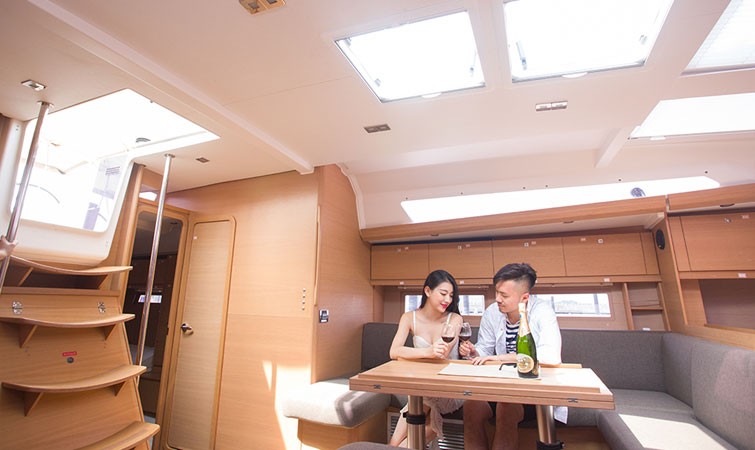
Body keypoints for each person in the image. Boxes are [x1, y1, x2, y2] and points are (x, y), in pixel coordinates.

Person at [459, 263, 562, 450]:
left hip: (533, 390)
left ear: (524, 297)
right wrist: (475, 352)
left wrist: (500, 358)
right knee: (471, 405)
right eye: (497, 292)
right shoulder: (493, 312)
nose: (498, 299)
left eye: (504, 295)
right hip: (499, 385)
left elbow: (550, 355)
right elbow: (485, 348)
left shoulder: (542, 311)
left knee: (506, 405)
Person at [388, 269, 465, 447]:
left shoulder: (455, 319)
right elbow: (394, 351)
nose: (448, 300)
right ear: (428, 291)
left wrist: (408, 356)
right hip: (424, 384)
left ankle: (393, 447)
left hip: (450, 387)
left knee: (420, 400)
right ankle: (394, 446)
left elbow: (441, 353)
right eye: (443, 293)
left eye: (451, 295)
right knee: (421, 399)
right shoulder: (409, 317)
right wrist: (427, 352)